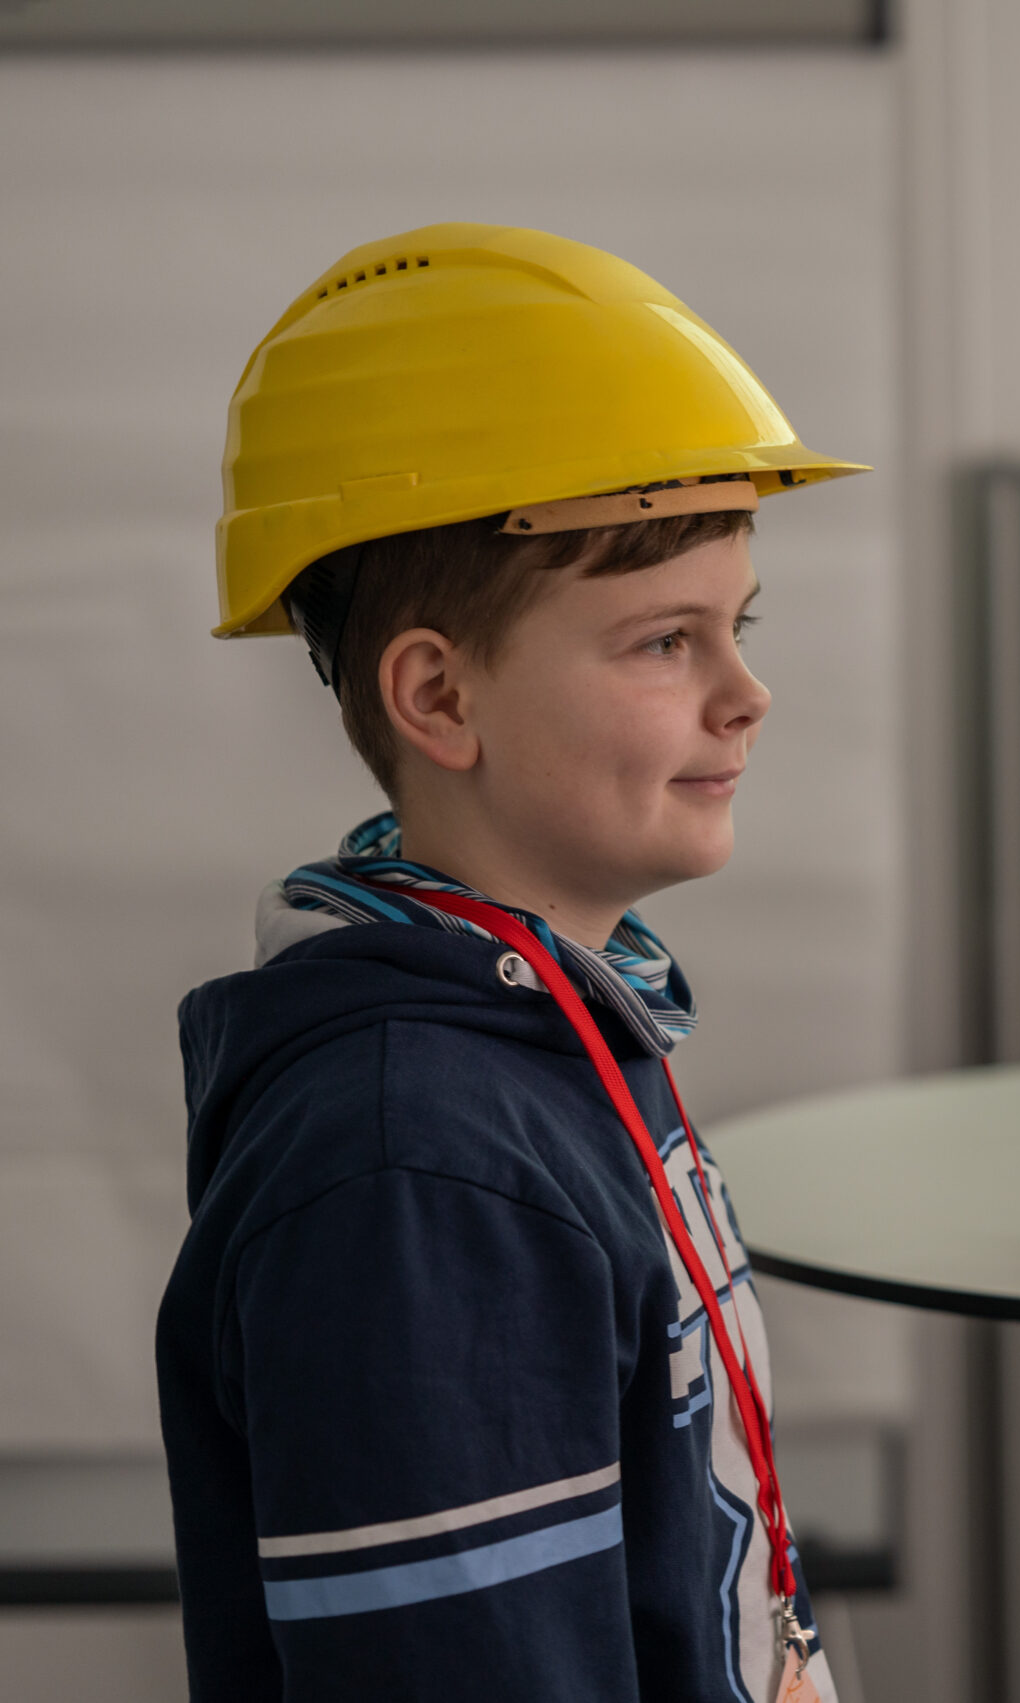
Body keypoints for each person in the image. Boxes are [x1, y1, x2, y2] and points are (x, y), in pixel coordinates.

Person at [157, 224, 865, 1702]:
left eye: (738, 627)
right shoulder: (414, 1171)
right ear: (440, 693)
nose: (749, 695)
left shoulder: (551, 1033)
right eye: (666, 643)